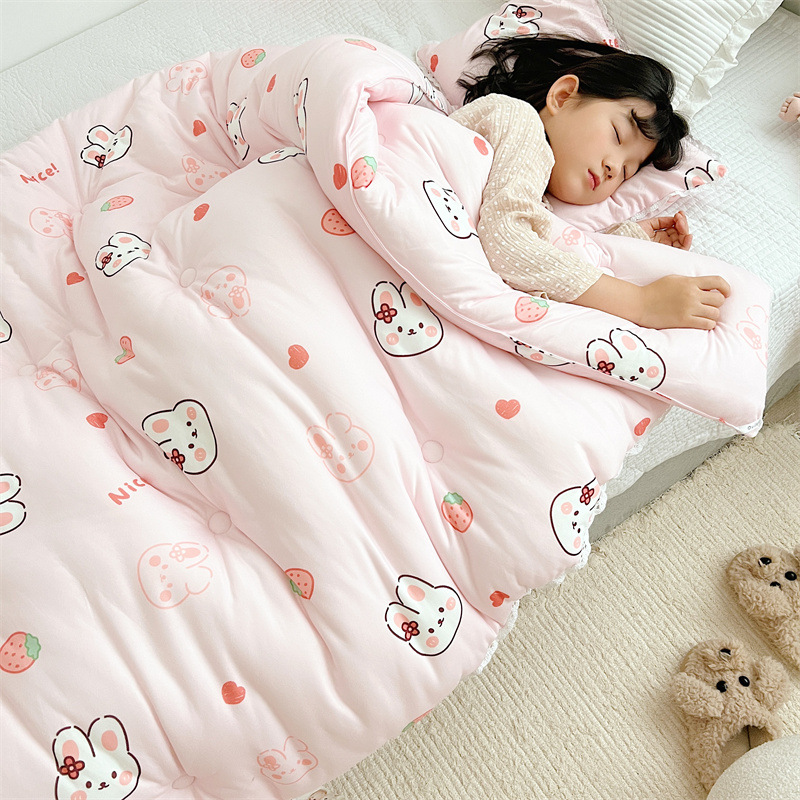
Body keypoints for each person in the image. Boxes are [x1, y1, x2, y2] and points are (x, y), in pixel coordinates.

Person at [450, 36, 731, 330]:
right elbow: (510, 245)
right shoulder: (517, 120)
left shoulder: (536, 191)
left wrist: (627, 244)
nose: (613, 168)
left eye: (627, 172)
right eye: (617, 135)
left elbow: (549, 255)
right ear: (563, 96)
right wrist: (642, 302)